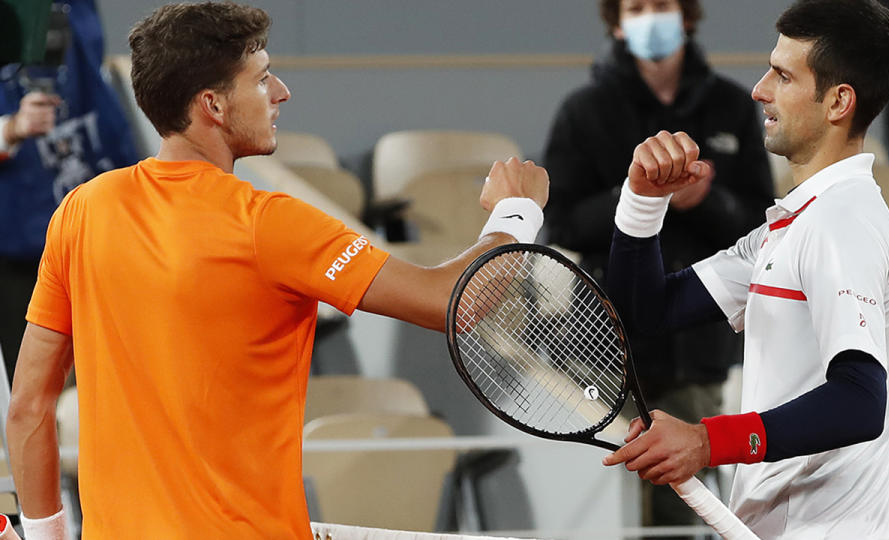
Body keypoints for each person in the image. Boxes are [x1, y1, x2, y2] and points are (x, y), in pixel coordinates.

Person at [6, 3, 549, 539]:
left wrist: (46, 535)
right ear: (213, 105)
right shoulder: (270, 224)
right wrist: (516, 213)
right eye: (262, 79)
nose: (281, 92)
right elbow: (455, 302)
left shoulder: (82, 209)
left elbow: (29, 406)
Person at [601, 0, 889, 538]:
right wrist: (642, 200)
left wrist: (706, 441)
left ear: (839, 102)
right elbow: (643, 312)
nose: (759, 89)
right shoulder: (793, 226)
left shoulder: (841, 221)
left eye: (783, 75)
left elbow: (861, 401)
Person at [542, 0, 773, 529]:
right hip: (602, 350)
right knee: (607, 511)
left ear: (687, 16)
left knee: (681, 514)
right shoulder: (584, 111)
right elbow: (564, 226)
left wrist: (705, 199)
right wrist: (642, 197)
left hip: (698, 346)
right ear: (618, 23)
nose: (651, 17)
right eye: (637, 7)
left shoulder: (734, 107)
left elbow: (760, 227)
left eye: (663, 5)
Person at [0, 0, 138, 382]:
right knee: (31, 379)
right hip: (17, 239)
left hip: (91, 231)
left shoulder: (76, 11)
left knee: (100, 371)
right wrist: (10, 128)